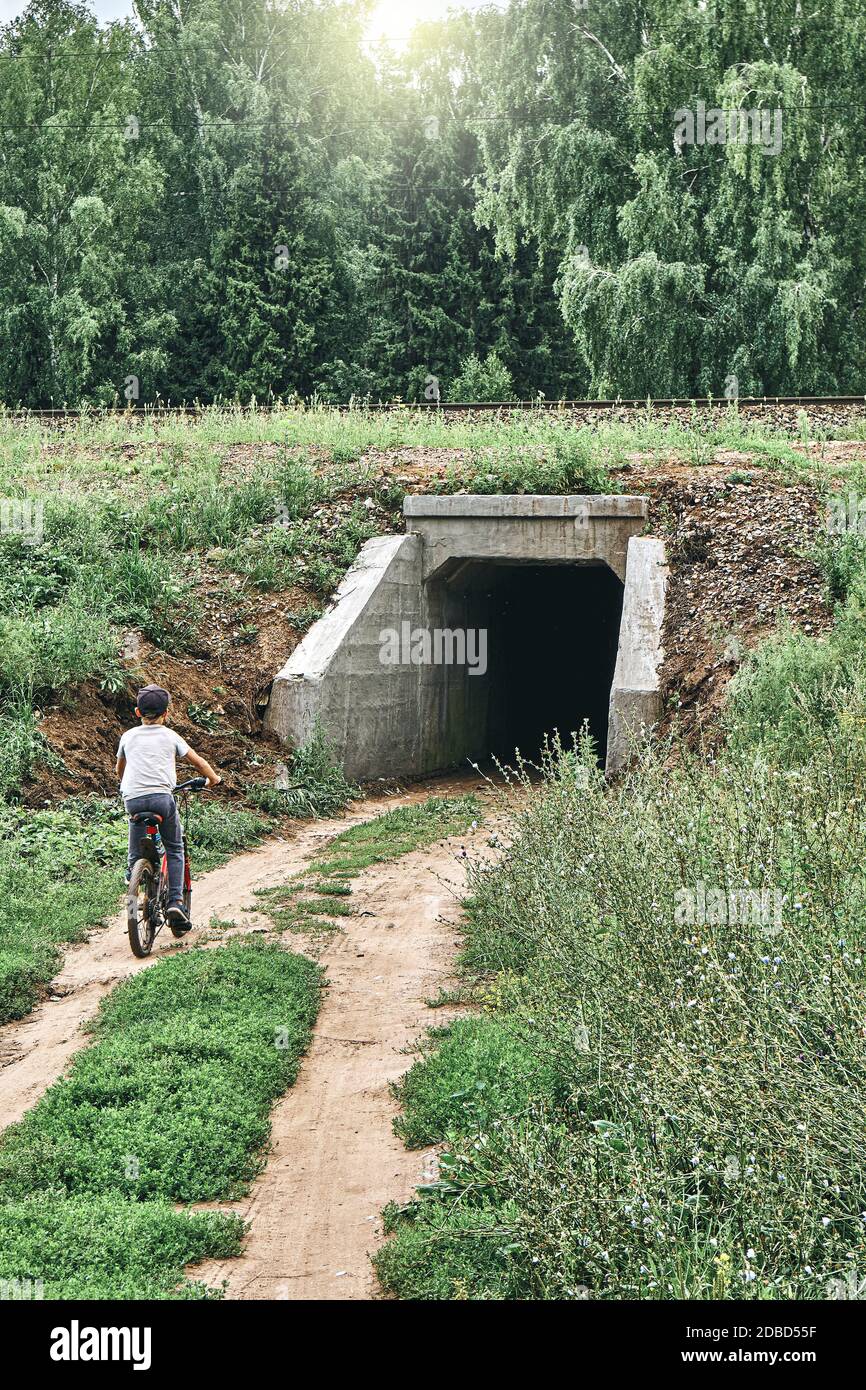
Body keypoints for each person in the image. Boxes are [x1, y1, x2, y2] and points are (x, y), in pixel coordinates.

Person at [116, 684, 220, 931]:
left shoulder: (127, 736)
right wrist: (213, 779)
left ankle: (132, 909)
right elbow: (198, 762)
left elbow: (120, 769)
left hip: (133, 799)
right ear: (166, 714)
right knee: (174, 848)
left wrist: (127, 786)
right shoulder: (170, 735)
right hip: (162, 799)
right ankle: (175, 902)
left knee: (134, 860)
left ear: (137, 712)